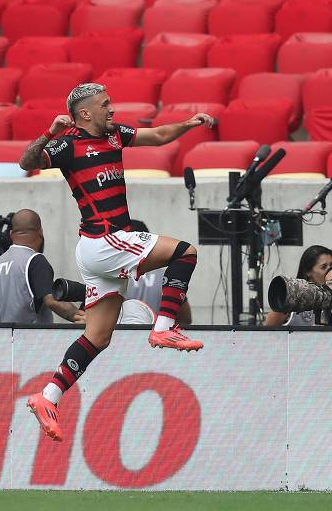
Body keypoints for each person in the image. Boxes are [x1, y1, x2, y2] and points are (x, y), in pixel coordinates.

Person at [19, 83, 215, 441]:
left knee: (97, 336)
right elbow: (26, 162)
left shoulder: (114, 134)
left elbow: (156, 136)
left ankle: (47, 396)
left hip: (97, 248)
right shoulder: (67, 144)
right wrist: (50, 132)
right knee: (186, 252)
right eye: (105, 104)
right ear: (85, 113)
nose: (112, 109)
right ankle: (163, 326)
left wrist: (188, 123)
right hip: (106, 240)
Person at [0, 209, 85, 324]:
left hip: (0, 339)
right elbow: (51, 301)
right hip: (31, 338)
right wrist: (80, 316)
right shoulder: (35, 260)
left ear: (11, 234)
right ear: (41, 232)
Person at [125, 220, 192, 325]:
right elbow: (185, 319)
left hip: (119, 338)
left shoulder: (111, 275)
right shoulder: (166, 276)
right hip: (156, 338)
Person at [263, 245, 332, 326]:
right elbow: (268, 332)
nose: (330, 270)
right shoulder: (290, 296)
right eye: (324, 267)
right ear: (308, 272)